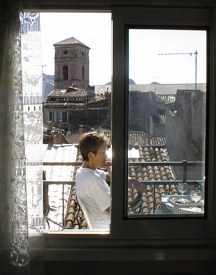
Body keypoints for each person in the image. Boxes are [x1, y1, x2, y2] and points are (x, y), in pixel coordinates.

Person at [76, 132, 111, 229]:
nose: (106, 157)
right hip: (109, 229)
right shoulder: (93, 181)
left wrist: (131, 181)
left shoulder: (82, 172)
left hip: (98, 226)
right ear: (91, 156)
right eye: (103, 153)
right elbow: (115, 210)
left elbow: (107, 176)